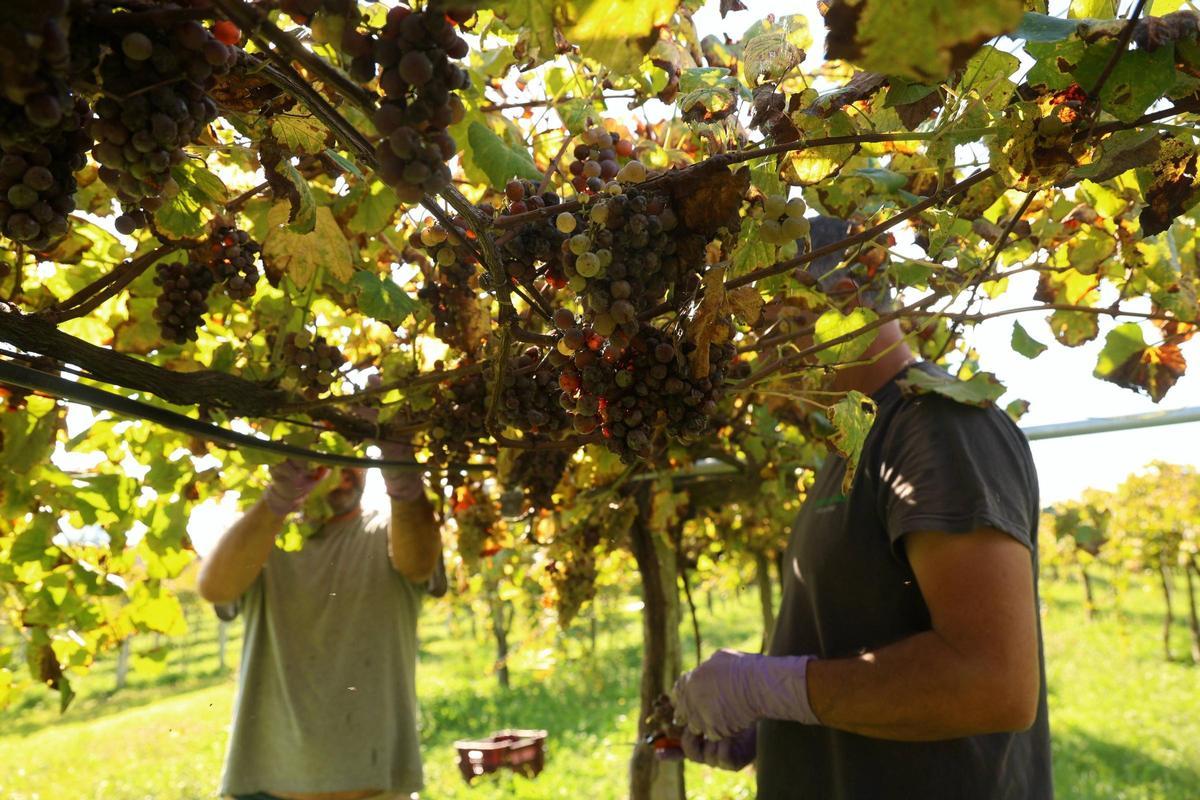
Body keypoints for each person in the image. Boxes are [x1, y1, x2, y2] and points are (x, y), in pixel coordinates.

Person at [671, 216, 1053, 798]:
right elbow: (851, 646)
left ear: (843, 299)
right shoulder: (856, 444)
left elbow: (992, 684)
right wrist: (779, 726)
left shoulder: (938, 425)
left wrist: (769, 689)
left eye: (772, 323)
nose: (760, 351)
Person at [197, 442, 443, 800]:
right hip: (265, 790)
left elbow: (419, 562)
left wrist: (404, 480)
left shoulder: (392, 532)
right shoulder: (266, 538)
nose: (341, 474)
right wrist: (276, 501)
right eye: (322, 456)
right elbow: (215, 588)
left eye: (349, 457)